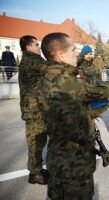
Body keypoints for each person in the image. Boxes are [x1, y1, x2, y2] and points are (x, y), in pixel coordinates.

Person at [38, 32, 109, 199]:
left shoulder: (46, 79)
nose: (77, 53)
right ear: (61, 55)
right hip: (76, 164)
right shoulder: (69, 83)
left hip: (56, 158)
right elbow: (105, 89)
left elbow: (66, 113)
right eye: (73, 50)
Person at [18, 35, 49, 185]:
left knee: (39, 141)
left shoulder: (33, 60)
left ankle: (37, 169)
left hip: (37, 108)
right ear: (28, 47)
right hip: (34, 110)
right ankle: (35, 174)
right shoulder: (31, 61)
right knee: (35, 142)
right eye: (36, 45)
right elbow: (51, 69)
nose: (39, 47)